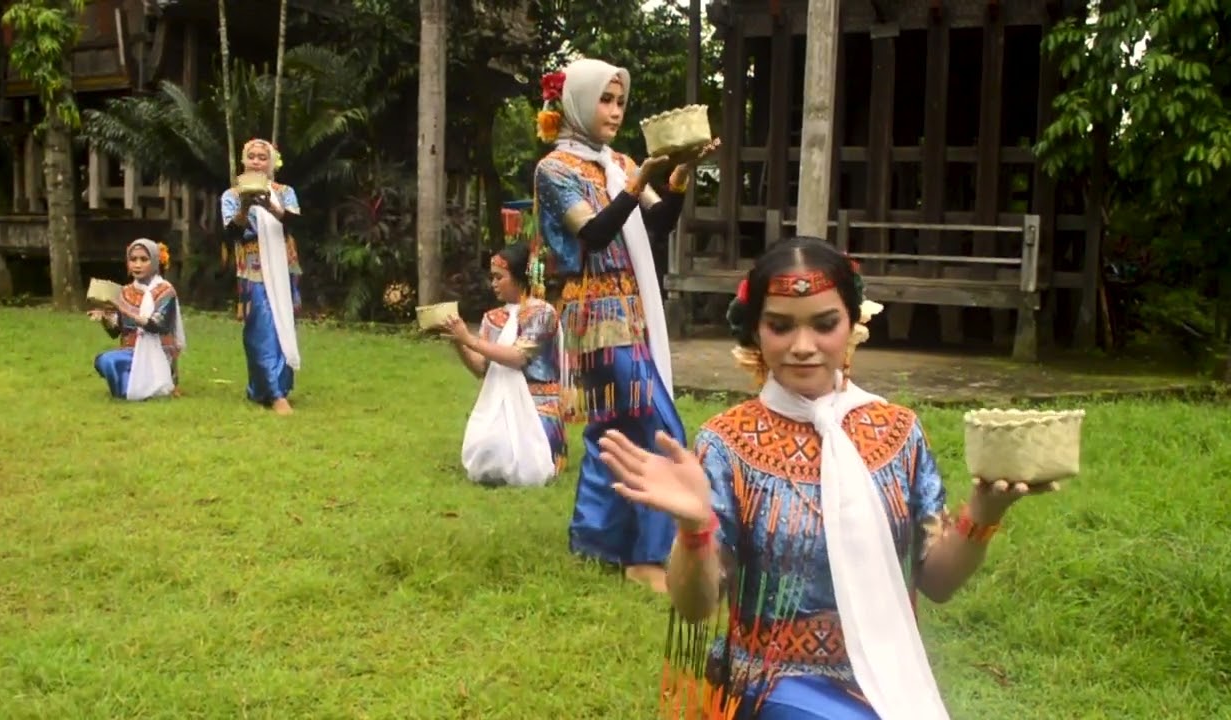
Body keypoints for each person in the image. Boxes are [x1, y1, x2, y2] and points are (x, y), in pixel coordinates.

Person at [598, 237, 1059, 719]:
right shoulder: (728, 443)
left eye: (824, 324)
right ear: (756, 330)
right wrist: (694, 531)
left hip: (886, 676)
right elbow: (696, 608)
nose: (803, 347)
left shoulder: (898, 433)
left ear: (852, 323)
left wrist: (984, 512)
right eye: (780, 326)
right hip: (773, 682)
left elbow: (937, 583)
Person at [531, 57, 719, 592]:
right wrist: (638, 181)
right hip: (595, 313)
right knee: (660, 427)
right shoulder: (556, 170)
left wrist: (678, 176)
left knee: (610, 428)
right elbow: (593, 234)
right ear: (576, 103)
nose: (614, 111)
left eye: (620, 102)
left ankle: (596, 538)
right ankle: (648, 554)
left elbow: (656, 224)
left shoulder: (618, 162)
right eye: (604, 100)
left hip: (630, 308)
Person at [441, 241, 567, 485]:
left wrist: (470, 339)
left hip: (537, 405)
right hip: (500, 402)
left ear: (519, 277)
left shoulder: (542, 313)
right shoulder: (492, 318)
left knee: (516, 456)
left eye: (499, 277)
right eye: (492, 277)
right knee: (487, 447)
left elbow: (518, 357)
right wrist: (458, 342)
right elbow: (481, 368)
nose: (493, 283)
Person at [220, 137, 302, 416]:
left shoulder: (285, 192)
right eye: (251, 156)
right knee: (261, 328)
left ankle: (267, 388)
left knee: (283, 327)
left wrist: (271, 207)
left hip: (284, 268)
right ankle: (274, 394)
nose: (256, 161)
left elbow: (294, 223)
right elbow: (232, 234)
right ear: (243, 161)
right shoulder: (231, 196)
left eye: (262, 157)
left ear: (272, 163)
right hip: (253, 271)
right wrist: (245, 207)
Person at [89, 239, 186, 401]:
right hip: (130, 353)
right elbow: (116, 331)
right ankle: (133, 390)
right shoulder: (125, 292)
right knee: (102, 361)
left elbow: (158, 325)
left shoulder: (165, 291)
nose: (137, 265)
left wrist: (126, 310)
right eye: (133, 259)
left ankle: (132, 391)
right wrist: (105, 318)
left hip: (158, 354)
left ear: (155, 262)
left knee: (110, 362)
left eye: (143, 259)